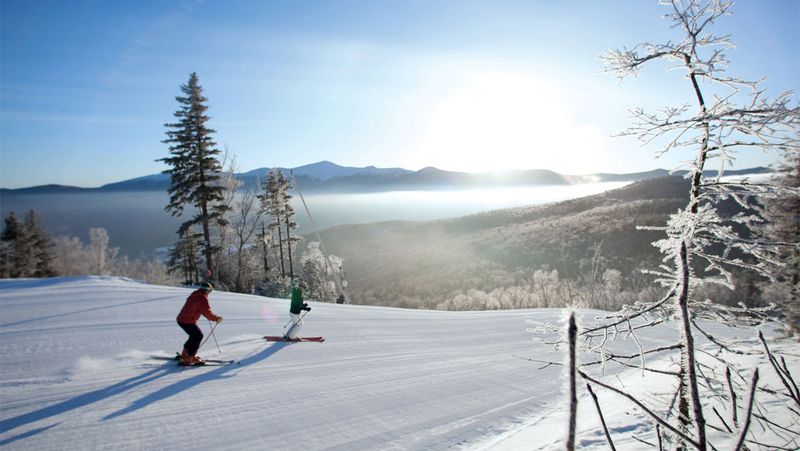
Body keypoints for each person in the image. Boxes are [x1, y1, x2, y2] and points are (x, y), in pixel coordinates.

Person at [176, 281, 222, 365]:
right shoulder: (202, 298)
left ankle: (185, 354)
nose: (210, 292)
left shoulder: (195, 294)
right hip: (187, 321)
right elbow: (207, 313)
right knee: (198, 336)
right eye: (210, 291)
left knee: (193, 336)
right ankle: (190, 358)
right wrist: (216, 318)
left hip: (181, 320)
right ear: (207, 290)